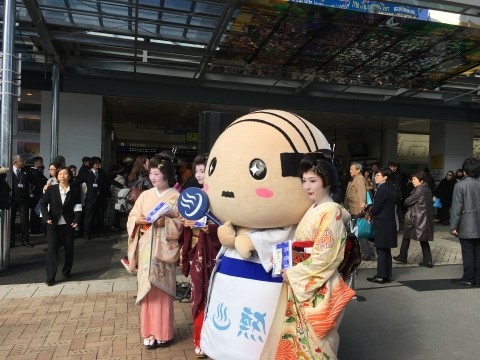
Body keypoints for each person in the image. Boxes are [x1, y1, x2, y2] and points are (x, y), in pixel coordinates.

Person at [260, 153, 355, 360]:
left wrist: (293, 272)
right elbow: (305, 247)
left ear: (327, 182)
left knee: (319, 343)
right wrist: (282, 258)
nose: (307, 186)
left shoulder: (331, 212)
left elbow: (325, 256)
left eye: (313, 181)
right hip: (305, 281)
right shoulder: (315, 208)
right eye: (304, 181)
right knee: (301, 340)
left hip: (318, 284)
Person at [126, 155, 183, 349]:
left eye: (156, 173)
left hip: (164, 249)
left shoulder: (176, 197)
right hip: (146, 247)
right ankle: (148, 331)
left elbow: (181, 224)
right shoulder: (145, 195)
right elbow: (132, 216)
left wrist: (165, 221)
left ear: (166, 174)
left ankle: (163, 332)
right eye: (150, 173)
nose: (152, 176)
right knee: (147, 290)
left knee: (163, 291)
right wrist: (138, 221)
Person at [180, 154, 221, 358]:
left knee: (216, 296)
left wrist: (211, 229)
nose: (199, 175)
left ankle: (214, 340)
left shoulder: (220, 197)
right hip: (197, 252)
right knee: (199, 295)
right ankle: (199, 339)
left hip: (215, 252)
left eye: (203, 170)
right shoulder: (192, 195)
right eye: (196, 171)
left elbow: (227, 225)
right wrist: (186, 225)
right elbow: (184, 224)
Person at [39, 167, 82, 286]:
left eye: (65, 174)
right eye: (60, 174)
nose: (62, 176)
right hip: (53, 223)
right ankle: (50, 277)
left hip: (68, 223)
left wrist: (77, 219)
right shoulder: (51, 189)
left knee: (69, 249)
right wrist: (46, 217)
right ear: (57, 176)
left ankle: (66, 271)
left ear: (69, 176)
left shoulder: (74, 190)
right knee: (52, 249)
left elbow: (78, 206)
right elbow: (43, 204)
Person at [73, 156, 124, 239]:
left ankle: (101, 232)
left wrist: (122, 186)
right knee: (89, 217)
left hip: (100, 198)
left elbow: (110, 180)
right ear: (92, 164)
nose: (98, 164)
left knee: (101, 216)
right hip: (90, 199)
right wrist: (68, 187)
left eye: (99, 163)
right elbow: (77, 181)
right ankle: (86, 233)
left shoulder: (101, 172)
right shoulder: (87, 173)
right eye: (97, 163)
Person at [393, 171, 434, 268]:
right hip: (421, 217)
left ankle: (425, 260)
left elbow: (407, 201)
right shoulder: (426, 188)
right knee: (417, 238)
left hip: (417, 218)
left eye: (414, 179)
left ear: (421, 180)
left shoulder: (419, 189)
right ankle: (405, 256)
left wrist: (406, 199)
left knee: (415, 238)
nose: (412, 181)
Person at [450, 158, 480, 287]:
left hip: (466, 223)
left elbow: (457, 208)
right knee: (478, 252)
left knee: (468, 252)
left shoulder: (460, 185)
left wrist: (453, 226)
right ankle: (478, 278)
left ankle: (468, 278)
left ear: (465, 171)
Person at [367, 168, 397, 284]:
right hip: (388, 222)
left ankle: (381, 275)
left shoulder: (382, 189)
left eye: (379, 175)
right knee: (386, 249)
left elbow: (376, 208)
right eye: (376, 175)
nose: (376, 177)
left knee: (381, 249)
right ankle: (387, 275)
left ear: (385, 177)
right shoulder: (389, 188)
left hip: (383, 223)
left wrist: (368, 207)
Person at [345, 162, 374, 261]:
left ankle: (368, 253)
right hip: (353, 209)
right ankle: (366, 252)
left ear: (358, 170)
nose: (350, 171)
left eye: (351, 169)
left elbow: (362, 194)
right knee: (357, 232)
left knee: (360, 232)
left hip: (357, 210)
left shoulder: (360, 179)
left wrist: (362, 207)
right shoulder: (354, 179)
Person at [10, 154, 36, 248]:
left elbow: (35, 181)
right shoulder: (8, 171)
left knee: (25, 220)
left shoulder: (26, 171)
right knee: (10, 220)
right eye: (22, 161)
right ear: (15, 162)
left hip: (23, 200)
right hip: (11, 199)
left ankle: (25, 240)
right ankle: (11, 241)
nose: (24, 162)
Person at [29, 156, 48, 236]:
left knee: (38, 212)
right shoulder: (32, 171)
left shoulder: (38, 172)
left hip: (40, 194)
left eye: (42, 162)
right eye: (40, 162)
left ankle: (36, 228)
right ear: (35, 162)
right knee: (35, 212)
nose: (41, 163)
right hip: (35, 195)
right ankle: (34, 229)